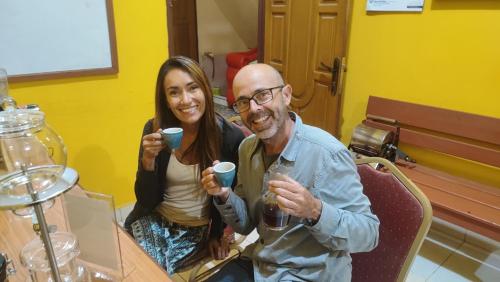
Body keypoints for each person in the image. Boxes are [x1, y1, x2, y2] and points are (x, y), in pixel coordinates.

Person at [201, 64, 380, 281]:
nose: (254, 108)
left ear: (286, 95)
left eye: (263, 95)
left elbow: (369, 235)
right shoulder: (247, 149)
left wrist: (315, 210)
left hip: (311, 274)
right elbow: (247, 224)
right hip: (262, 266)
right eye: (243, 102)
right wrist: (224, 194)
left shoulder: (328, 154)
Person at [124, 56, 245, 275]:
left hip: (194, 229)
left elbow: (231, 194)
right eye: (174, 92)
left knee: (152, 271)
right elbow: (145, 199)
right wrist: (148, 161)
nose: (186, 100)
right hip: (155, 218)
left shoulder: (229, 137)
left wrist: (219, 233)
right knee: (129, 264)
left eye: (192, 88)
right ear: (166, 99)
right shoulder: (154, 128)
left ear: (205, 90)